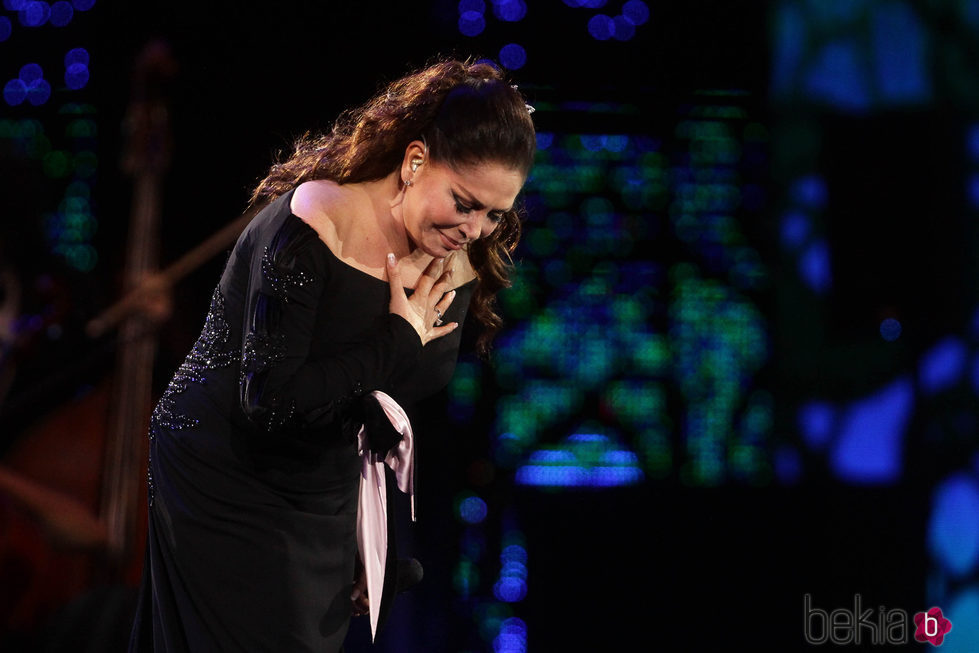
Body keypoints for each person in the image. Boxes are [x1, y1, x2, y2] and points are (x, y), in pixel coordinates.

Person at [127, 57, 536, 652]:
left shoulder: (457, 262)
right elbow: (269, 401)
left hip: (323, 483)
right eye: (465, 203)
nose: (475, 230)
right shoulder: (316, 221)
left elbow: (387, 400)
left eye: (495, 215)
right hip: (223, 471)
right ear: (415, 160)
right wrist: (396, 336)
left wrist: (378, 535)